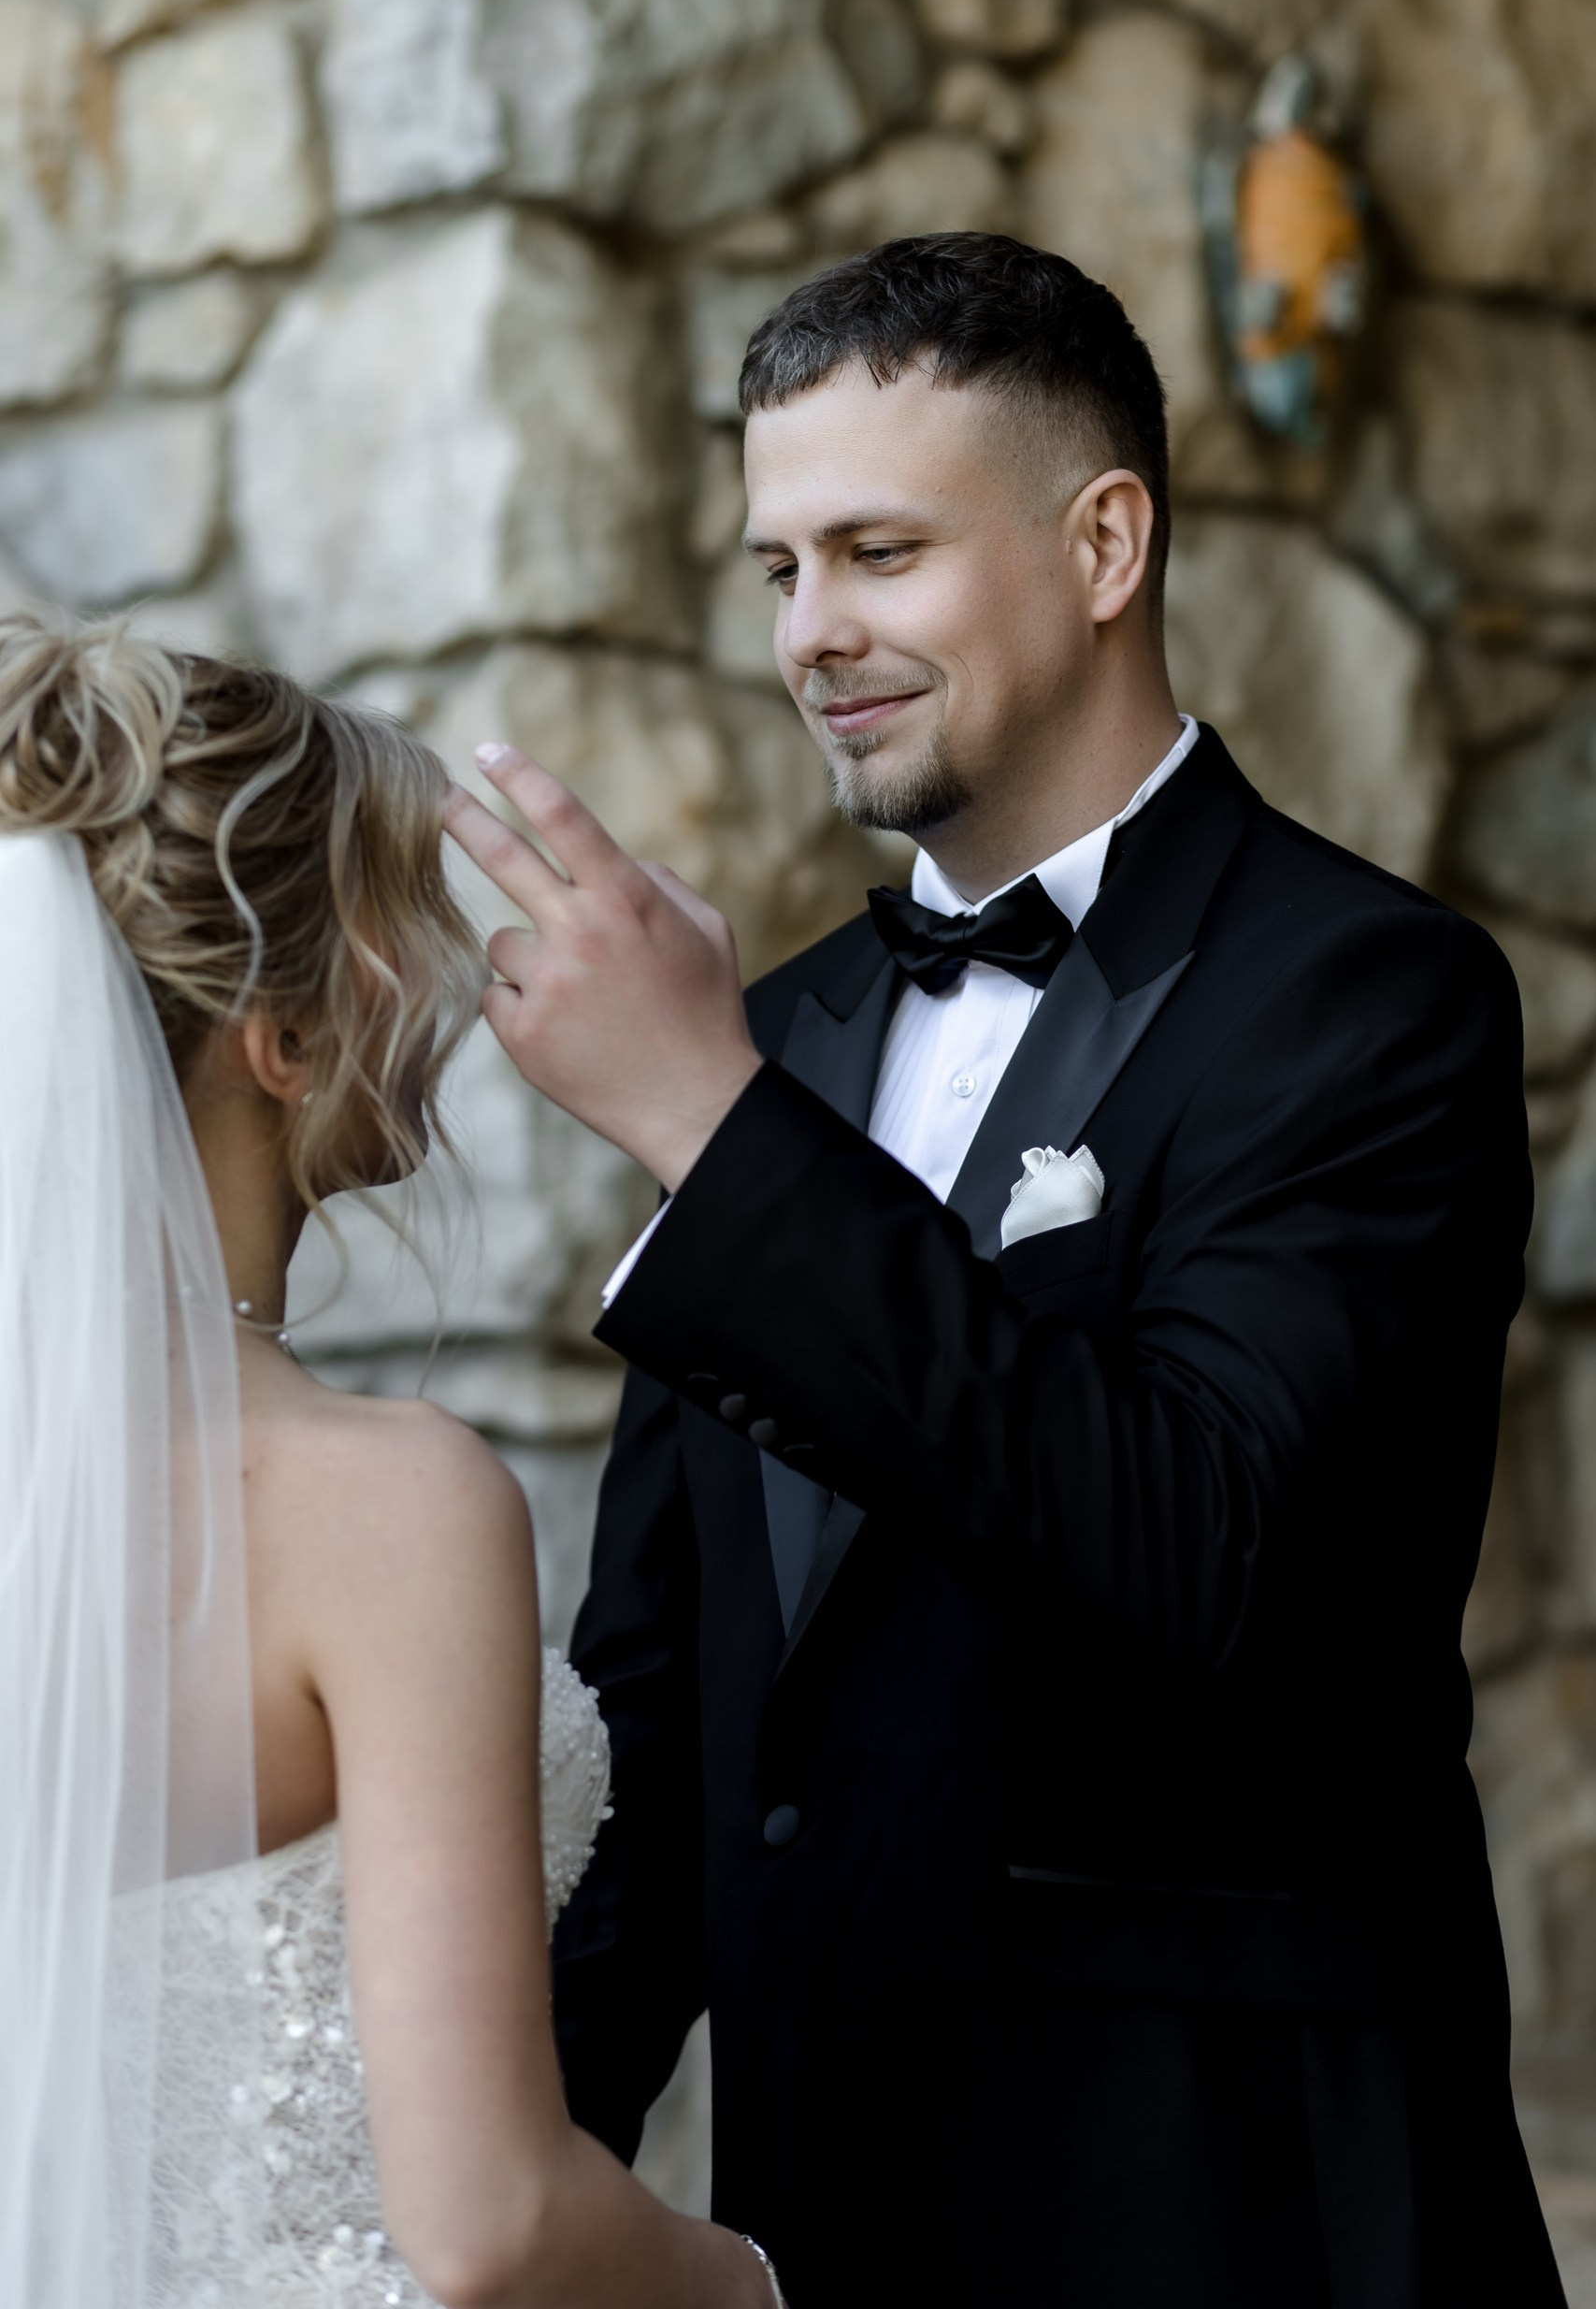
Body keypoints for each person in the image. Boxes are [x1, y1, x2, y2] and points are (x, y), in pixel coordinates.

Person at [444, 234, 1566, 2306]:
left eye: (878, 552)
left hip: (1230, 2222)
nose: (811, 631)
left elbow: (1201, 1546)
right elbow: (673, 1714)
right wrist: (468, 2198)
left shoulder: (1372, 997)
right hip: (825, 2221)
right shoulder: (771, 1039)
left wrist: (714, 1135)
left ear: (1103, 542)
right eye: (779, 568)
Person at [0, 614, 784, 2309]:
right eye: (404, 917)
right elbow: (490, 2222)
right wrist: (759, 2289)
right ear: (280, 1042)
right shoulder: (385, 1504)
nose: (451, 977)